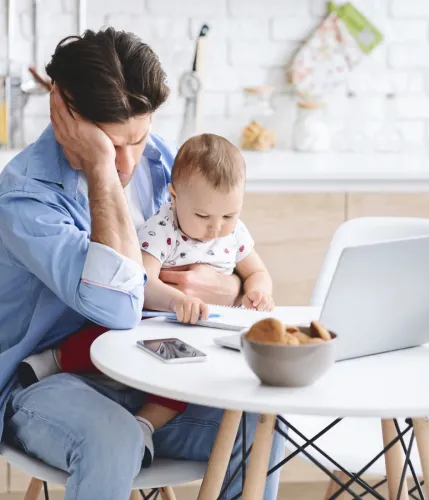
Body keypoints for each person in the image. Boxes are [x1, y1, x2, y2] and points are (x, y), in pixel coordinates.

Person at [0, 28, 285, 500]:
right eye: (110, 144)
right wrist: (99, 169)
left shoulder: (165, 162)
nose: (129, 163)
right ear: (65, 111)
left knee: (261, 418)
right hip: (46, 385)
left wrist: (233, 289)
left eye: (139, 138)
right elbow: (118, 306)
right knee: (113, 438)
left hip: (154, 374)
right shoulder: (26, 198)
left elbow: (220, 254)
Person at [19, 132, 275, 469]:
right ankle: (55, 358)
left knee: (185, 383)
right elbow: (143, 281)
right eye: (203, 216)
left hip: (197, 333)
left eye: (228, 216)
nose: (216, 229)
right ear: (173, 195)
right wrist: (174, 301)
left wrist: (259, 290)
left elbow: (256, 271)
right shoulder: (164, 229)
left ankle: (147, 424)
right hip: (149, 323)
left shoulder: (234, 232)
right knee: (100, 337)